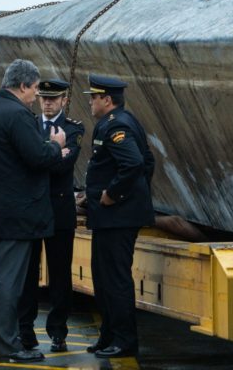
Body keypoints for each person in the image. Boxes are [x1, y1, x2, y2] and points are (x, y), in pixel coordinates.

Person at [0, 59, 67, 364]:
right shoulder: (17, 115)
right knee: (7, 284)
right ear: (23, 85)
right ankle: (8, 347)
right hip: (16, 216)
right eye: (35, 89)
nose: (36, 96)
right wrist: (55, 146)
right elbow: (37, 156)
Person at [81, 74, 155, 358]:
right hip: (111, 218)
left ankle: (124, 341)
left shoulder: (117, 126)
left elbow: (135, 163)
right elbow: (148, 161)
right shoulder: (121, 121)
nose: (89, 101)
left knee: (115, 280)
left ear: (107, 100)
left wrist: (114, 195)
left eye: (93, 97)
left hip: (117, 218)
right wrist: (137, 194)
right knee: (103, 278)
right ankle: (108, 335)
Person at [18, 79, 85, 353]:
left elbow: (62, 166)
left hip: (59, 211)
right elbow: (27, 162)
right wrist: (54, 151)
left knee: (59, 276)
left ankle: (58, 332)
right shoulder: (30, 124)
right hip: (33, 210)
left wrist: (42, 156)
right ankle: (26, 332)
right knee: (27, 275)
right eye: (44, 98)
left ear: (63, 100)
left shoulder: (74, 128)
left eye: (53, 99)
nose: (47, 103)